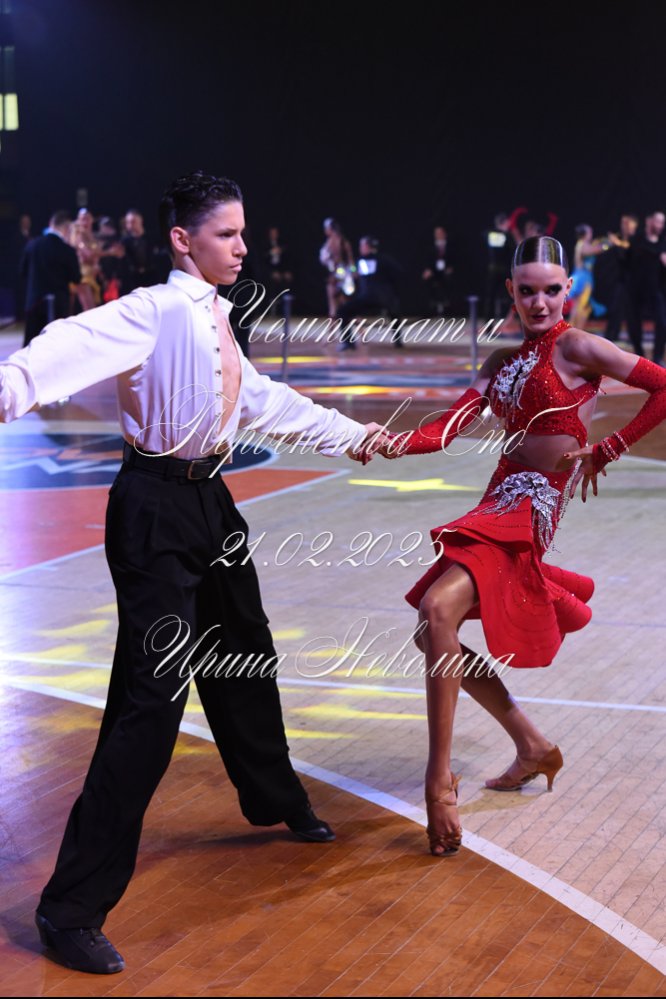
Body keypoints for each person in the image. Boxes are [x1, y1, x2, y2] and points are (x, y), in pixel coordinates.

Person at [0, 171, 384, 974]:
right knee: (152, 703)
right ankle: (70, 909)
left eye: (242, 232)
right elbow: (61, 348)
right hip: (154, 511)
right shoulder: (155, 309)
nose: (242, 247)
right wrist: (9, 386)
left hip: (210, 502)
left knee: (245, 649)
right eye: (227, 234)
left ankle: (275, 796)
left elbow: (260, 400)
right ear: (183, 239)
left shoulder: (217, 315)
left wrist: (353, 434)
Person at [367, 235, 666, 858]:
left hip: (533, 508)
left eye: (552, 290)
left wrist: (609, 448)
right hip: (497, 497)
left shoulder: (578, 346)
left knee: (438, 610)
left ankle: (438, 782)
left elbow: (662, 387)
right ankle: (531, 745)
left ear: (568, 290)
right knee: (431, 630)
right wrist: (387, 441)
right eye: (527, 290)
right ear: (510, 290)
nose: (539, 302)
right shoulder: (501, 361)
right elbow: (445, 430)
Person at [21, 210, 81, 346]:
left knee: (31, 346)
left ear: (51, 223)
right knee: (55, 345)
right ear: (67, 228)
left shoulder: (32, 245)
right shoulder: (67, 250)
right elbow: (76, 278)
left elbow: (22, 272)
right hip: (58, 304)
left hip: (34, 304)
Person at [336, 235, 403, 350]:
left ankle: (348, 342)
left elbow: (354, 272)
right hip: (384, 299)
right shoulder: (385, 259)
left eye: (362, 246)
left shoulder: (363, 260)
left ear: (367, 246)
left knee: (342, 311)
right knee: (393, 310)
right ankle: (398, 341)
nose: (360, 248)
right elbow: (399, 273)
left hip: (368, 298)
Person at [627, 210, 666, 364]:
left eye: (662, 222)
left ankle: (657, 357)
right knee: (634, 324)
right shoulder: (637, 240)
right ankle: (640, 356)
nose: (661, 225)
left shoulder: (663, 241)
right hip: (637, 289)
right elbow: (630, 258)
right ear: (649, 221)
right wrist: (659, 254)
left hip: (656, 290)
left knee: (662, 322)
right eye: (658, 221)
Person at [319, 217, 355, 319]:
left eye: (326, 228)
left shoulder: (333, 242)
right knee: (341, 302)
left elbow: (331, 260)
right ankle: (335, 326)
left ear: (330, 229)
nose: (325, 230)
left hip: (339, 274)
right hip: (343, 274)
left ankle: (335, 326)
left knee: (336, 302)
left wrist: (349, 272)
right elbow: (351, 261)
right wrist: (352, 272)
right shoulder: (343, 241)